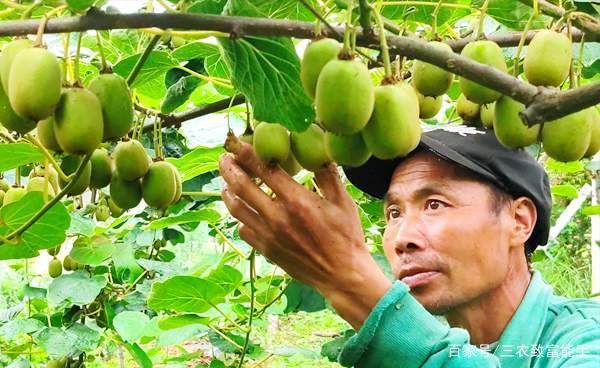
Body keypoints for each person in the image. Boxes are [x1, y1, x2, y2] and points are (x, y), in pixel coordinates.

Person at [218, 125, 600, 367]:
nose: (402, 238)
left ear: (519, 221)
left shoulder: (584, 342)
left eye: (435, 204)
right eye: (394, 213)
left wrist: (350, 283)